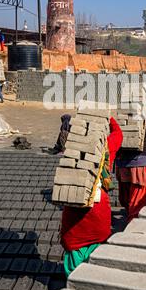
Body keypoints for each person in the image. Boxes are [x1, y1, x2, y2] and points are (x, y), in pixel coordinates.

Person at [61, 117, 123, 278]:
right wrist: (108, 118)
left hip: (75, 217)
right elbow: (118, 134)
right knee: (95, 270)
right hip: (99, 214)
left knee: (73, 271)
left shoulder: (71, 151)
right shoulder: (107, 147)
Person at [116, 96, 146, 223]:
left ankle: (128, 212)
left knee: (125, 192)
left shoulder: (119, 120)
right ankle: (132, 222)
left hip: (122, 163)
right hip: (141, 162)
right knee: (138, 194)